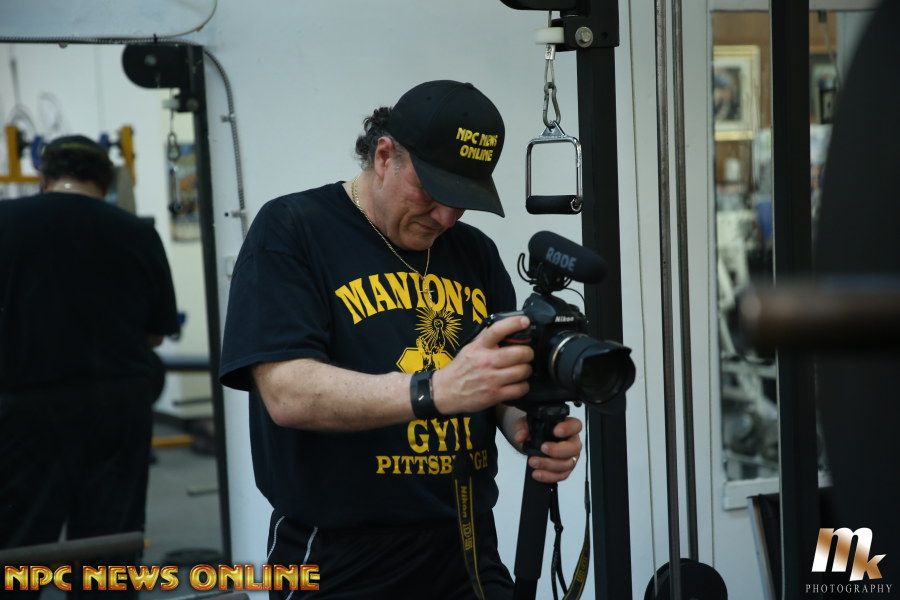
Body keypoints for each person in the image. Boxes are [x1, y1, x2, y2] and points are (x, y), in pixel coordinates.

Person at [219, 80, 583, 598]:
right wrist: (433, 390)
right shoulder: (293, 228)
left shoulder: (473, 252)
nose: (445, 217)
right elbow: (287, 392)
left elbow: (495, 380)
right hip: (339, 554)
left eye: (462, 201)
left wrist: (523, 425)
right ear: (385, 155)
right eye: (432, 192)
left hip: (467, 544)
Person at [0, 135, 179, 596]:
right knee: (109, 546)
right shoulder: (137, 232)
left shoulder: (5, 221)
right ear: (106, 182)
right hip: (116, 409)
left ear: (43, 177)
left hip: (24, 410)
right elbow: (157, 332)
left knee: (19, 545)